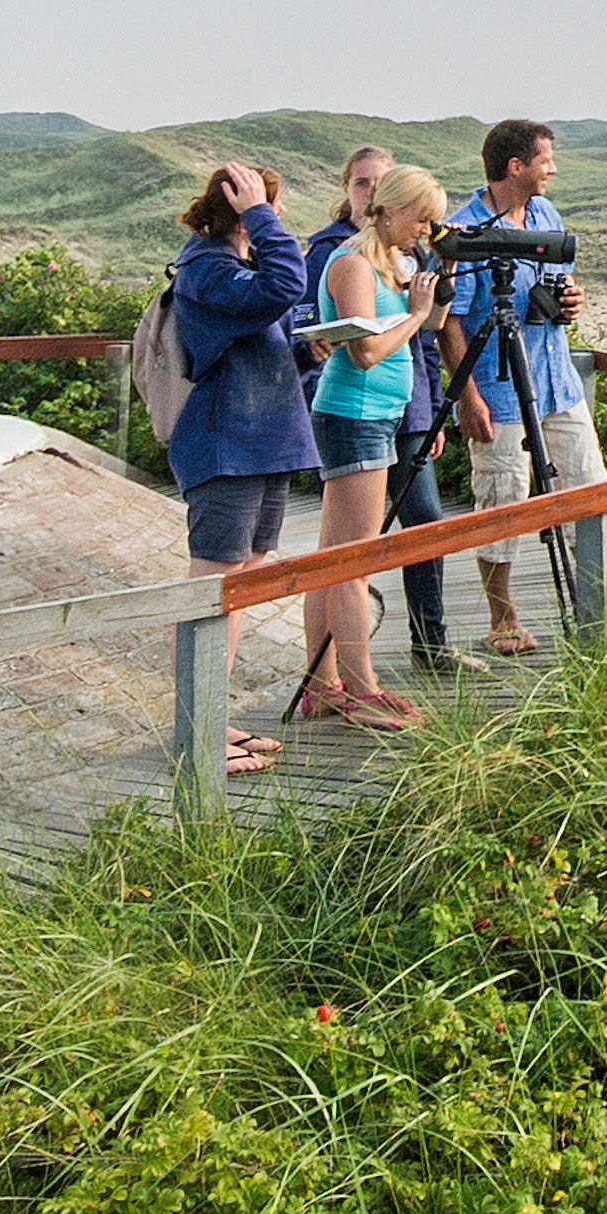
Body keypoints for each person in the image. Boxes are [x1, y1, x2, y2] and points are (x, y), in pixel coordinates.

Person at [158, 160, 322, 773]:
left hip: (266, 440)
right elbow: (285, 288)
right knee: (212, 592)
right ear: (240, 207)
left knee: (240, 586)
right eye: (266, 206)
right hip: (226, 445)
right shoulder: (206, 268)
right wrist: (258, 214)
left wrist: (308, 351)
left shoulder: (237, 269)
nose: (277, 218)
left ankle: (211, 721)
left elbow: (262, 343)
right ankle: (196, 737)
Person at [287, 164, 453, 728]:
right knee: (353, 564)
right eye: (422, 219)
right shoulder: (354, 263)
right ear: (391, 209)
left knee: (332, 561)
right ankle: (363, 692)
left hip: (374, 416)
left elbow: (425, 331)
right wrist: (413, 314)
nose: (426, 231)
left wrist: (435, 293)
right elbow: (363, 352)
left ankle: (324, 685)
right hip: (355, 415)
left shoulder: (391, 262)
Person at [434, 118, 599, 659]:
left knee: (588, 487)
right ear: (517, 167)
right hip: (498, 387)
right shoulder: (465, 232)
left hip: (555, 379)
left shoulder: (546, 214)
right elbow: (450, 322)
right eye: (546, 160)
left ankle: (597, 608)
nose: (553, 169)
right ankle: (502, 619)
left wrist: (569, 299)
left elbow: (558, 281)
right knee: (502, 497)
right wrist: (467, 397)